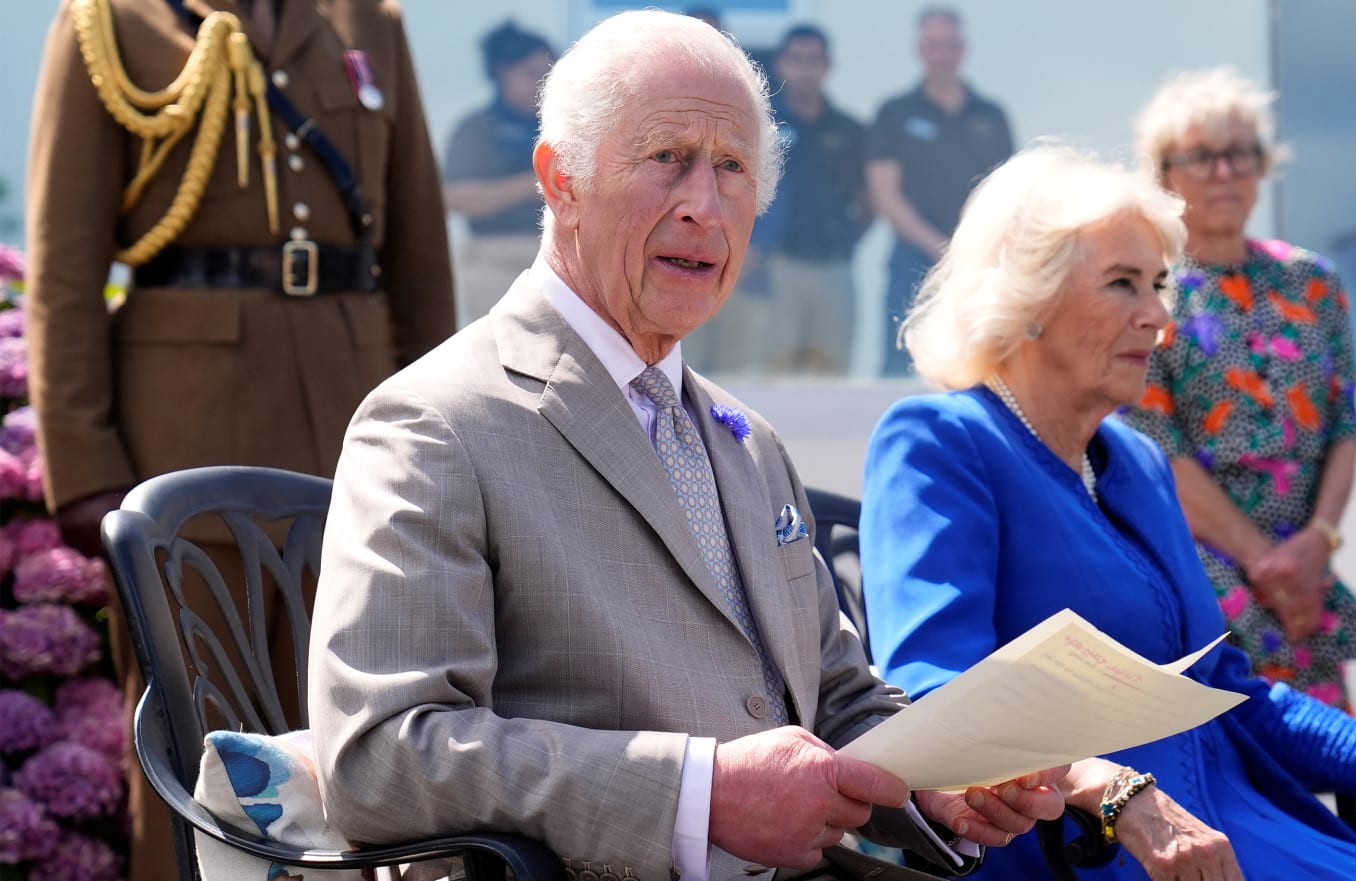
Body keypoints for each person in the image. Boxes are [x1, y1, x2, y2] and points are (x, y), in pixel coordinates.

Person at [308, 12, 1067, 881]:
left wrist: (943, 779)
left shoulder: (747, 440)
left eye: (733, 168)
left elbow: (840, 699)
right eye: (668, 157)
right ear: (561, 181)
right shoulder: (435, 422)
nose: (704, 206)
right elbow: (379, 759)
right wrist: (696, 793)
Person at [858, 144, 1356, 880]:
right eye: (1123, 284)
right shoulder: (940, 442)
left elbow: (1229, 691)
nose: (1157, 316)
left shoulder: (1139, 462)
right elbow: (936, 699)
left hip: (1234, 828)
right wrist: (1114, 792)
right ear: (1027, 301)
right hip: (1090, 849)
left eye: (1158, 284)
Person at [24, 2, 455, 879]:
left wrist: (446, 446)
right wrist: (84, 468)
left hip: (351, 422)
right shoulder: (110, 24)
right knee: (191, 736)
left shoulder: (368, 22)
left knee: (361, 724)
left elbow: (417, 255)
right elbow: (63, 272)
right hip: (185, 438)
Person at [1119, 67, 1356, 711]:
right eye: (1202, 157)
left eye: (1240, 153)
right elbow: (1156, 448)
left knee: (1328, 761)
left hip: (1304, 570)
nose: (1225, 173)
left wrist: (1317, 544)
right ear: (1165, 175)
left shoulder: (1313, 281)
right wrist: (1266, 566)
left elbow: (1344, 429)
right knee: (1240, 752)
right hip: (1205, 572)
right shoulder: (1148, 289)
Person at [866, 7, 1012, 378]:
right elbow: (886, 197)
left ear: (962, 49)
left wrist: (969, 251)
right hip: (910, 265)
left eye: (949, 45)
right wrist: (941, 249)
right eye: (933, 45)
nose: (942, 54)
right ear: (921, 50)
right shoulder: (894, 113)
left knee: (974, 366)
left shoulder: (991, 115)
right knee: (900, 367)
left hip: (977, 265)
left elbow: (1008, 192)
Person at [751, 24, 868, 375]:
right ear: (782, 64)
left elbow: (869, 198)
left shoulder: (848, 130)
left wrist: (847, 236)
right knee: (775, 372)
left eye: (813, 61)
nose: (805, 70)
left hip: (834, 267)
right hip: (777, 268)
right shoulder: (761, 126)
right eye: (797, 60)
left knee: (833, 373)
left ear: (827, 66)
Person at [444, 21, 555, 327]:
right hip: (495, 261)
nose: (543, 83)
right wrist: (542, 180)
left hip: (561, 261)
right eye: (532, 74)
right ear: (502, 72)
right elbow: (456, 199)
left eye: (549, 73)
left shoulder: (564, 127)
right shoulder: (477, 128)